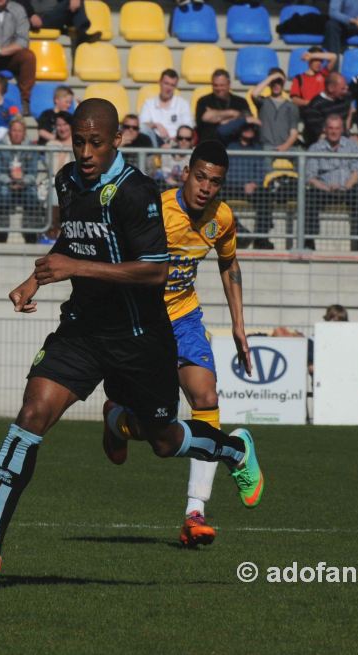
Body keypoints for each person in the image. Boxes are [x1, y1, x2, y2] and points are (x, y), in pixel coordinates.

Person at [0, 98, 264, 579]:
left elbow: (154, 273)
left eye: (95, 143)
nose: (85, 152)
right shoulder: (67, 180)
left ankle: (232, 450)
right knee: (31, 416)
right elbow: (74, 238)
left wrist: (73, 267)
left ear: (117, 141)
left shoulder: (138, 193)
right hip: (83, 329)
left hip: (141, 338)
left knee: (165, 441)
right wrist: (38, 276)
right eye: (78, 141)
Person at [156, 140, 253, 547]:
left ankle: (195, 511)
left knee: (206, 396)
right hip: (141, 324)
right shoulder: (156, 210)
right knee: (151, 428)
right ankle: (116, 424)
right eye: (200, 177)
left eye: (215, 182)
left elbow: (229, 262)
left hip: (184, 318)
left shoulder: (222, 217)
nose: (206, 188)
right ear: (186, 173)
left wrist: (238, 325)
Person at [305, 113, 358, 250]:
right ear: (325, 129)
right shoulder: (315, 148)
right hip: (325, 189)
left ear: (342, 129)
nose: (334, 131)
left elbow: (357, 170)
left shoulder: (352, 146)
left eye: (337, 128)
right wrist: (326, 187)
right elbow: (310, 176)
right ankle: (309, 239)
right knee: (309, 196)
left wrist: (346, 186)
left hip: (348, 188)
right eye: (330, 128)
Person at [0, 117, 41, 243]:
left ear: (24, 133)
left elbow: (33, 172)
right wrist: (11, 181)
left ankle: (30, 235)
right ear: (9, 132)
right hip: (5, 184)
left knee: (33, 193)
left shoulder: (32, 148)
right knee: (3, 192)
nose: (17, 134)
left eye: (20, 131)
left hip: (24, 184)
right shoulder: (0, 146)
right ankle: (1, 236)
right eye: (14, 130)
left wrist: (22, 181)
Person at [226, 123, 275, 250]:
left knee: (265, 196)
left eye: (252, 128)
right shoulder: (231, 147)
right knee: (215, 197)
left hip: (252, 188)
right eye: (246, 127)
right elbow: (227, 172)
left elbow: (262, 172)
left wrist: (254, 184)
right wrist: (242, 185)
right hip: (232, 186)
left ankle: (261, 239)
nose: (249, 130)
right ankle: (240, 231)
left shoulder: (258, 149)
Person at [194, 69, 256, 146]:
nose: (219, 88)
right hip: (209, 146)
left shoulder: (240, 102)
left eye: (222, 85)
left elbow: (248, 120)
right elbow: (205, 117)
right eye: (215, 85)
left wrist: (218, 117)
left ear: (229, 84)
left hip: (234, 147)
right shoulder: (203, 101)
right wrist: (233, 113)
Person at [138, 68, 192, 147]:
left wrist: (174, 139)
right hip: (155, 143)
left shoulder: (183, 104)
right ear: (160, 82)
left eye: (172, 85)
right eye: (166, 83)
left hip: (176, 143)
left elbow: (188, 127)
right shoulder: (149, 103)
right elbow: (141, 125)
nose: (169, 88)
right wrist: (156, 125)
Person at [250, 68, 300, 152]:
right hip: (265, 146)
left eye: (279, 82)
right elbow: (254, 94)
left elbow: (294, 133)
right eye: (273, 82)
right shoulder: (263, 102)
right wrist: (272, 77)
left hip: (286, 147)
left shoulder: (291, 106)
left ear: (283, 84)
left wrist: (285, 146)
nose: (276, 85)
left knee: (301, 156)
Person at [17, 0, 100, 48]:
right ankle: (77, 33)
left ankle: (81, 32)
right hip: (30, 20)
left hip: (51, 17)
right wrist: (31, 14)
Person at [43, 108, 72, 241]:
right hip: (56, 183)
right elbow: (54, 169)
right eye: (59, 125)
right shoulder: (51, 144)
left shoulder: (79, 145)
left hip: (74, 184)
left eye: (65, 124)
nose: (62, 128)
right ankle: (55, 232)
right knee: (56, 193)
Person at [301, 72, 352, 145]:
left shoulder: (345, 99)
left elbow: (349, 114)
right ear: (331, 88)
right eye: (342, 88)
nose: (346, 90)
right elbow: (320, 134)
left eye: (346, 87)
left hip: (342, 142)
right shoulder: (315, 105)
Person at [152, 124, 192, 192]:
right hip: (164, 189)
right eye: (180, 138)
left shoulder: (194, 155)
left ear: (192, 140)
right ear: (176, 139)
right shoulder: (167, 151)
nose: (183, 141)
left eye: (187, 139)